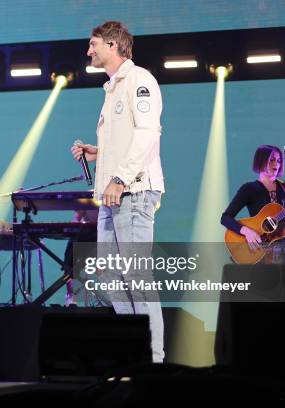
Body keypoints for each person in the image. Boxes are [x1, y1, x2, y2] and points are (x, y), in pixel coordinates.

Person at [71, 21, 165, 362]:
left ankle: (153, 359)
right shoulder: (112, 88)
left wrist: (121, 178)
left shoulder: (138, 80)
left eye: (93, 43)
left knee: (137, 274)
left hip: (134, 193)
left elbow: (147, 134)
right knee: (111, 277)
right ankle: (135, 351)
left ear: (113, 45)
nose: (89, 50)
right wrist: (100, 154)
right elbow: (126, 139)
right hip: (113, 198)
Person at [221, 144, 285, 260]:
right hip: (261, 251)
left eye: (278, 160)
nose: (276, 164)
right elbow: (225, 218)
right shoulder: (249, 189)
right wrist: (247, 232)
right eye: (272, 160)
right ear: (261, 161)